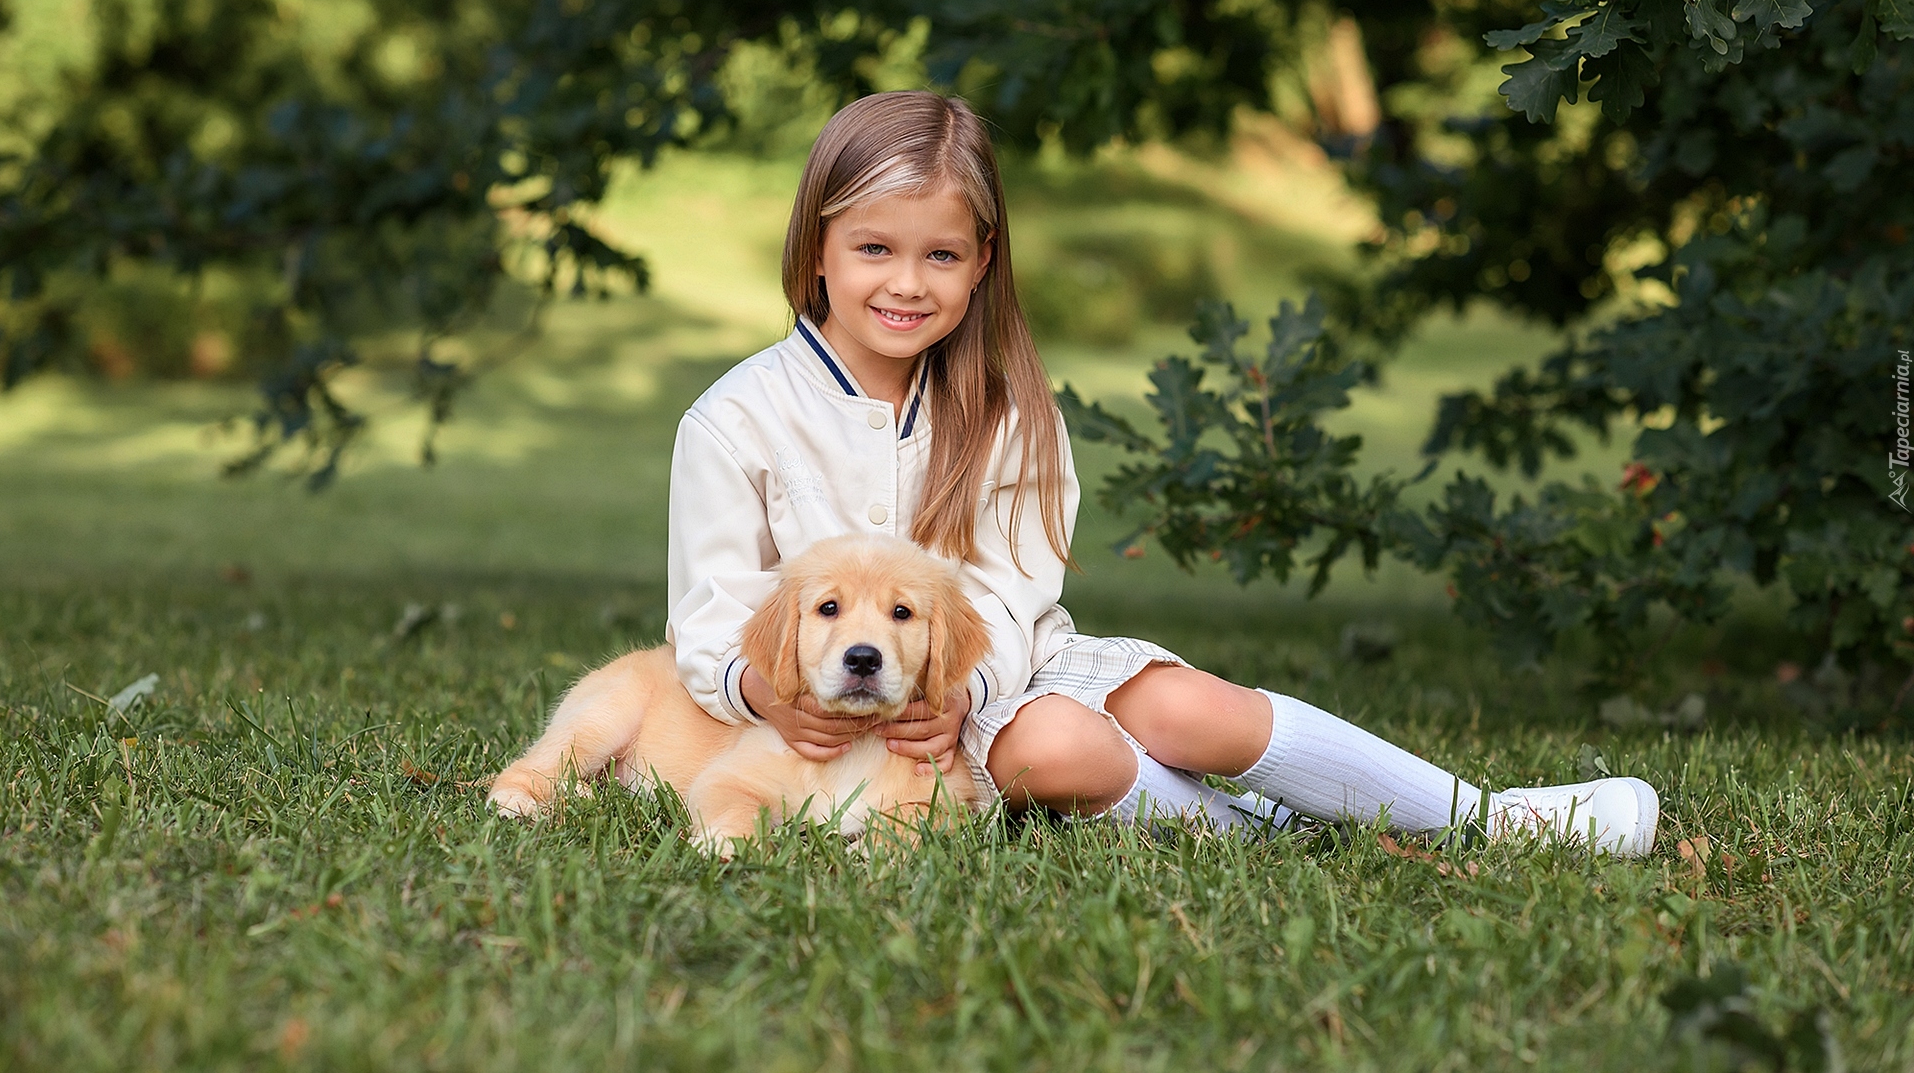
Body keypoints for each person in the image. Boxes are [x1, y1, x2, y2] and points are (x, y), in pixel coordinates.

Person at [665, 90, 1659, 854]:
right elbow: (710, 617)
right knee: (1060, 751)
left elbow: (1014, 590)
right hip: (852, 723)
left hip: (1000, 673)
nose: (907, 282)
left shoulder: (1007, 410)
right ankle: (1287, 833)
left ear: (982, 261)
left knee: (1190, 708)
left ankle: (1489, 820)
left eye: (941, 254)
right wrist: (765, 689)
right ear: (819, 246)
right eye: (874, 247)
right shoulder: (735, 419)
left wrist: (966, 689)